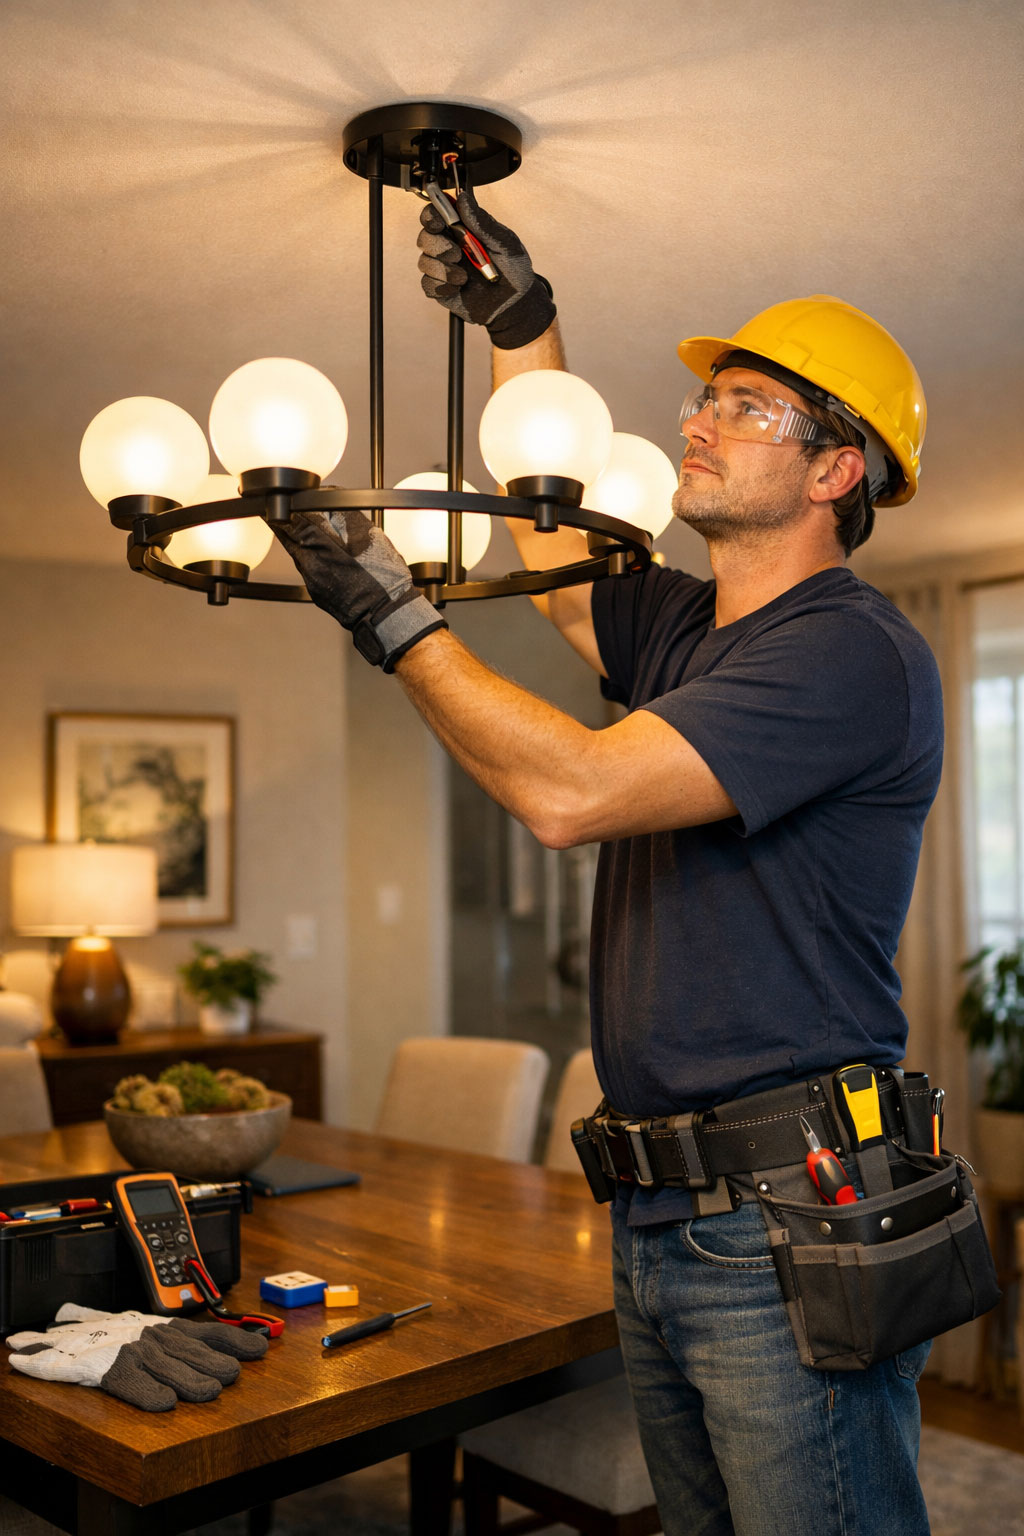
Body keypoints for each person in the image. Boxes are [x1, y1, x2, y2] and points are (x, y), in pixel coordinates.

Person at [274, 188, 942, 1536]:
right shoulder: (694, 633)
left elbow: (570, 795)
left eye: (748, 407)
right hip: (662, 1216)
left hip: (783, 1225)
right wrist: (526, 323)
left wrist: (395, 619)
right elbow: (555, 541)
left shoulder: (854, 654)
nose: (698, 420)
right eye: (711, 398)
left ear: (837, 469)